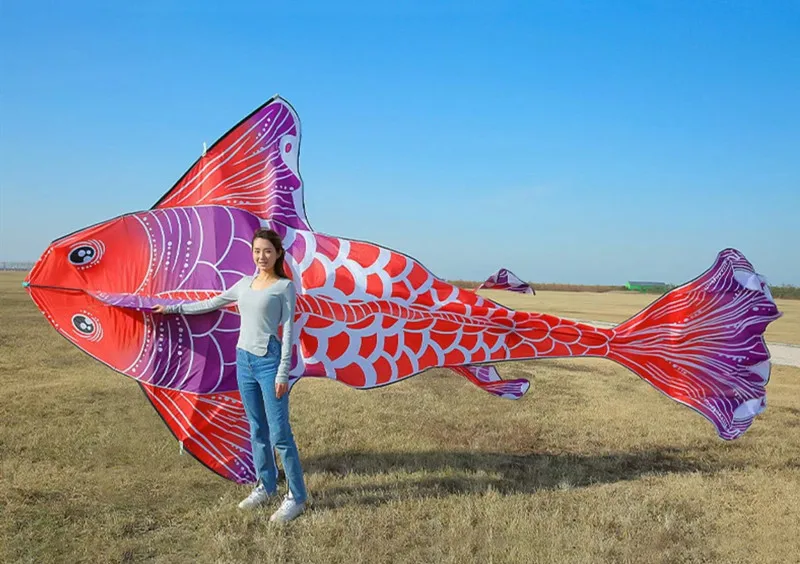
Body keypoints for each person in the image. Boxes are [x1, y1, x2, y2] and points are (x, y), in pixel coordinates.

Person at [153, 228, 307, 523]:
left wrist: (283, 372)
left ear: (278, 255)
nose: (261, 256)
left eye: (267, 251)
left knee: (280, 434)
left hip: (269, 361)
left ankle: (297, 497)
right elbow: (212, 303)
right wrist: (173, 309)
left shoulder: (284, 287)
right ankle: (266, 486)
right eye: (257, 251)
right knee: (256, 429)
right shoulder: (243, 284)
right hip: (243, 361)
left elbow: (287, 331)